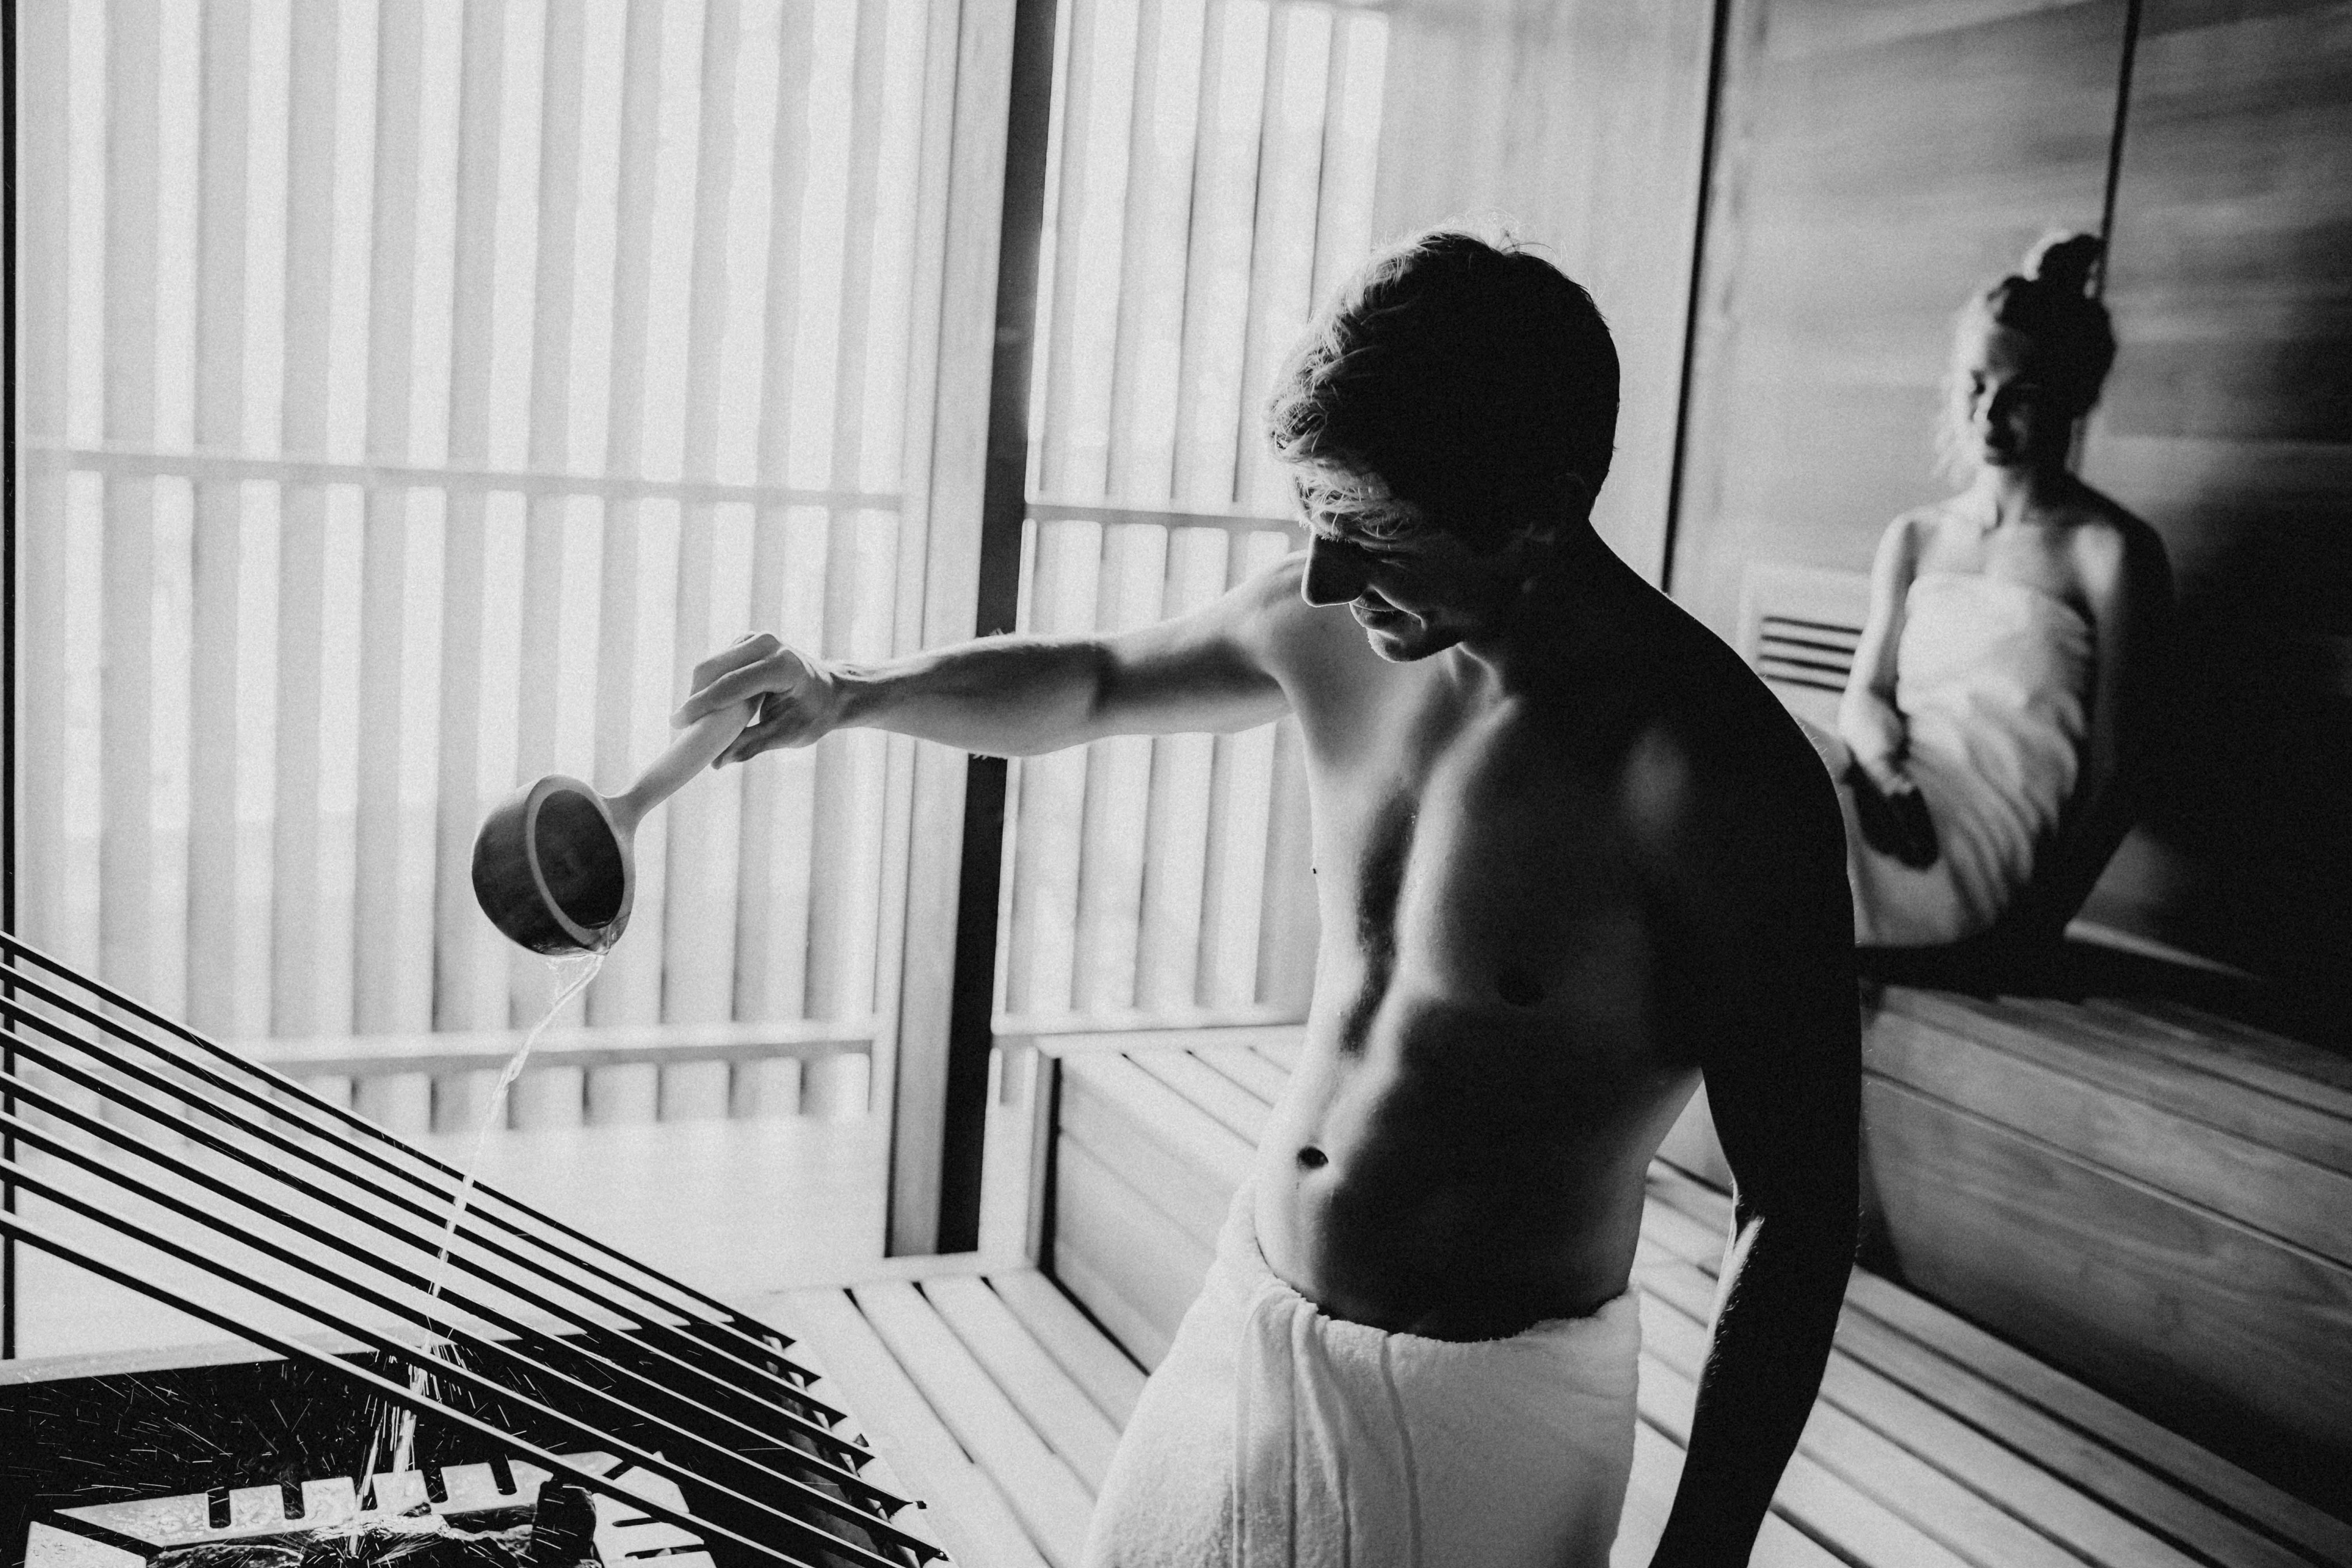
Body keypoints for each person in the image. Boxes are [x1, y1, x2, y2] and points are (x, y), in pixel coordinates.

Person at [677, 229, 1860, 1568]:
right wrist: (852, 693)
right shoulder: (1337, 622)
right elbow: (1093, 680)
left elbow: (1800, 1204)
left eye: (1370, 535)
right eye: (1312, 518)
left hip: (1487, 1409)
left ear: (1542, 501)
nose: (1320, 580)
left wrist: (1702, 1556)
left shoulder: (1707, 775)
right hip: (1248, 1316)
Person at [1817, 232, 2171, 950]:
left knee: (1744, 801)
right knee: (1754, 748)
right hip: (1891, 801)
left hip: (1969, 852)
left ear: (2072, 399)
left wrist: (2036, 930)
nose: (1989, 414)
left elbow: (2118, 769)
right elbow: (1866, 695)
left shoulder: (2107, 552)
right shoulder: (1915, 537)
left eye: (2022, 395)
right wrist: (1886, 775)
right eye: (1976, 384)